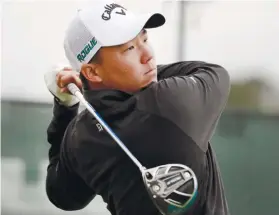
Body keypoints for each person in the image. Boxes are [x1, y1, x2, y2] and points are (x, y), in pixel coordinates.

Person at [44, 0, 231, 214]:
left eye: (145, 39)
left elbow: (64, 196)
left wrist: (65, 106)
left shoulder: (80, 135)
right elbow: (214, 74)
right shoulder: (171, 102)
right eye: (129, 48)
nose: (148, 55)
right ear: (93, 72)